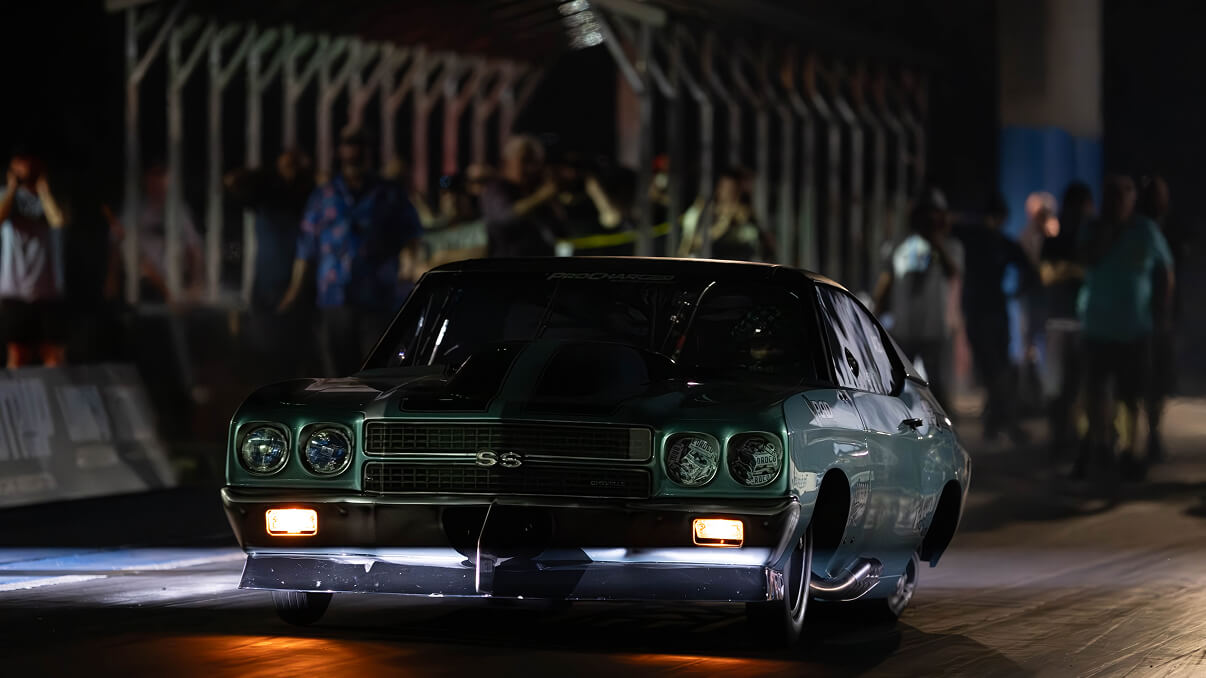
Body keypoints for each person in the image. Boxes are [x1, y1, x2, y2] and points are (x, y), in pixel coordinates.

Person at [277, 126, 424, 376]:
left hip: (377, 298)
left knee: (375, 374)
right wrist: (294, 290)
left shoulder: (388, 193)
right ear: (340, 152)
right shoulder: (323, 196)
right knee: (336, 376)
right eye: (349, 145)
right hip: (334, 298)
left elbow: (412, 234)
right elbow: (306, 247)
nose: (354, 152)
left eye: (359, 146)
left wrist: (409, 266)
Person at [1075, 174, 1174, 479]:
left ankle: (1132, 452)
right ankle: (1099, 447)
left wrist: (1162, 311)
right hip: (1098, 328)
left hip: (1135, 328)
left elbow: (1166, 270)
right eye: (1112, 196)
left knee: (1132, 396)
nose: (1117, 202)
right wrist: (1108, 233)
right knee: (1095, 394)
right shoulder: (1093, 229)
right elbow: (1083, 260)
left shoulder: (1145, 230)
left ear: (1133, 201)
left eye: (1123, 196)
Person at [954, 192, 1039, 443]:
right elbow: (1031, 270)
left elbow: (953, 224)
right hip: (996, 311)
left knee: (993, 371)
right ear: (1002, 217)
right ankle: (1002, 424)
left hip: (978, 311)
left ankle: (1000, 423)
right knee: (997, 370)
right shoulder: (1002, 241)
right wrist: (1015, 293)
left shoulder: (972, 237)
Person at [225, 149, 316, 379]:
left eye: (294, 165)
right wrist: (270, 173)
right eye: (285, 165)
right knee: (266, 357)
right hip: (265, 287)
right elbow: (232, 181)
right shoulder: (266, 195)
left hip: (298, 289)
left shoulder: (309, 199)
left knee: (293, 360)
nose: (290, 170)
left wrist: (294, 292)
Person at [873, 187, 963, 409]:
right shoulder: (900, 244)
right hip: (905, 328)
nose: (930, 219)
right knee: (898, 385)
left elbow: (954, 271)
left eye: (934, 214)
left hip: (934, 328)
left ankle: (945, 431)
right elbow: (887, 279)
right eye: (925, 214)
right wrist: (876, 310)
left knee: (938, 387)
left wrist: (935, 241)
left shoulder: (950, 246)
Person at [1041, 181, 1094, 451]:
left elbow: (1051, 273)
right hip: (1067, 321)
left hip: (1070, 320)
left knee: (1068, 385)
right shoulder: (1061, 239)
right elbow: (1047, 274)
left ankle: (1066, 438)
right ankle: (1063, 438)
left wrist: (1068, 270)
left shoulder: (1084, 237)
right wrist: (1079, 270)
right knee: (1065, 385)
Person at [0, 153, 67, 367]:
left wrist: (44, 191)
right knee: (18, 354)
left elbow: (58, 221)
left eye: (28, 165)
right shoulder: (5, 196)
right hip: (15, 292)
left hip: (47, 292)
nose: (23, 170)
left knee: (54, 356)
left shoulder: (52, 197)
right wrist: (11, 188)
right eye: (18, 165)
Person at [1138, 175, 1176, 461]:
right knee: (1148, 380)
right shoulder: (1149, 231)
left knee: (1152, 381)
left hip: (1151, 318)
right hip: (1148, 319)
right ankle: (1149, 436)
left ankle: (1151, 435)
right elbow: (1167, 276)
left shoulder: (1152, 230)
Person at [481, 135, 564, 257]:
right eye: (525, 160)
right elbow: (504, 216)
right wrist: (541, 197)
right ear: (507, 161)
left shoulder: (535, 188)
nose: (532, 168)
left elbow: (560, 229)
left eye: (536, 161)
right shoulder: (496, 188)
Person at [136, 164, 206, 303]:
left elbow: (194, 249)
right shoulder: (135, 212)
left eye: (161, 183)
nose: (157, 188)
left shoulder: (180, 212)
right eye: (152, 183)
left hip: (176, 285)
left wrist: (196, 284)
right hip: (144, 286)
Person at [679, 170, 775, 262]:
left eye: (735, 190)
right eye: (728, 189)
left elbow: (766, 245)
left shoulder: (746, 214)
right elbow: (691, 243)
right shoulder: (703, 211)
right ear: (719, 188)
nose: (731, 194)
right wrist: (724, 222)